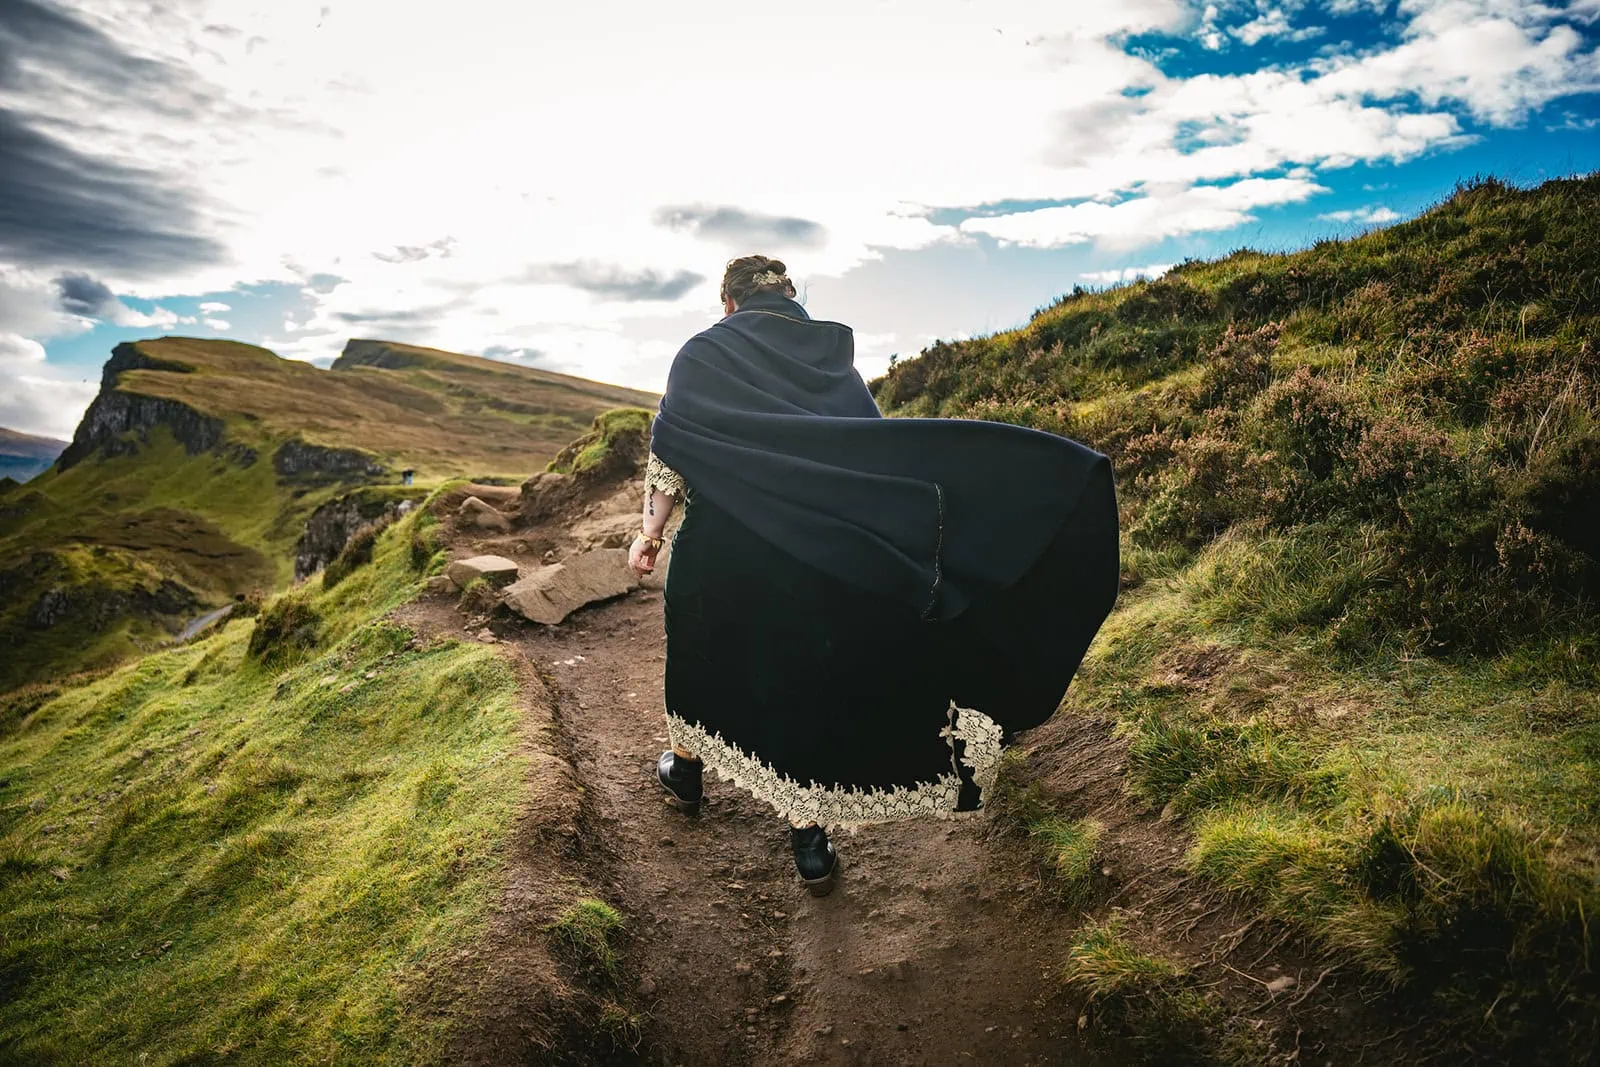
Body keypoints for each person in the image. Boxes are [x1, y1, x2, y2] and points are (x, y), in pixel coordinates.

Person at [628, 255, 1119, 897]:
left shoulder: (699, 356)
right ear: (789, 297)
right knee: (799, 679)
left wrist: (649, 534)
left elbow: (671, 458)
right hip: (811, 555)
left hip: (720, 552)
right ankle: (809, 841)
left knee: (703, 652)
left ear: (728, 303)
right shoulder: (830, 361)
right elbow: (863, 459)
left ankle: (686, 772)